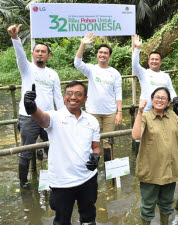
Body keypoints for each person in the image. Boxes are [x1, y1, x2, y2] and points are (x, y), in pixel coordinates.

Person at [24, 81, 101, 225]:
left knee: (89, 218)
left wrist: (96, 156)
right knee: (61, 220)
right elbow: (42, 118)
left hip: (88, 178)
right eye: (69, 93)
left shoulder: (92, 120)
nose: (73, 97)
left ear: (85, 98)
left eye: (78, 94)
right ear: (64, 97)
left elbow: (96, 146)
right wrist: (32, 108)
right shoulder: (54, 116)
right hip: (62, 182)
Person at [7, 24, 64, 188]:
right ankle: (23, 183)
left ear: (48, 56)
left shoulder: (53, 74)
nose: (40, 53)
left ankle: (55, 178)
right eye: (37, 51)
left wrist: (62, 117)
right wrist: (15, 38)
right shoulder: (27, 69)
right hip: (28, 116)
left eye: (43, 51)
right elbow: (19, 56)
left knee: (52, 149)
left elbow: (58, 97)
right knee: (25, 151)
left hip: (48, 117)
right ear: (32, 54)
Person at [132, 87, 178, 225]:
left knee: (167, 204)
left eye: (163, 98)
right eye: (157, 97)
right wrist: (139, 111)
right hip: (150, 170)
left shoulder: (173, 116)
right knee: (147, 206)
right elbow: (136, 135)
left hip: (170, 169)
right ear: (152, 100)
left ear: (169, 102)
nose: (160, 100)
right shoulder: (145, 116)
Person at [74, 32, 122, 162]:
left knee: (108, 141)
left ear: (109, 56)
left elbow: (118, 93)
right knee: (91, 139)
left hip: (110, 113)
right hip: (92, 112)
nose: (102, 55)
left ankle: (108, 168)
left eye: (105, 53)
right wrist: (83, 44)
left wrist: (119, 112)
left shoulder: (115, 73)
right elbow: (77, 63)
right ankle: (91, 166)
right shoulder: (91, 69)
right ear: (97, 55)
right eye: (100, 52)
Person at [132, 34, 178, 156]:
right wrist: (137, 49)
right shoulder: (143, 73)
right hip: (146, 108)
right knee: (141, 133)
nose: (154, 61)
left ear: (161, 62)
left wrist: (175, 98)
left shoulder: (165, 76)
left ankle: (159, 153)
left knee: (160, 131)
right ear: (148, 62)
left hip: (162, 108)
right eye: (152, 59)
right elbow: (134, 65)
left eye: (156, 59)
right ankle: (139, 155)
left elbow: (170, 89)